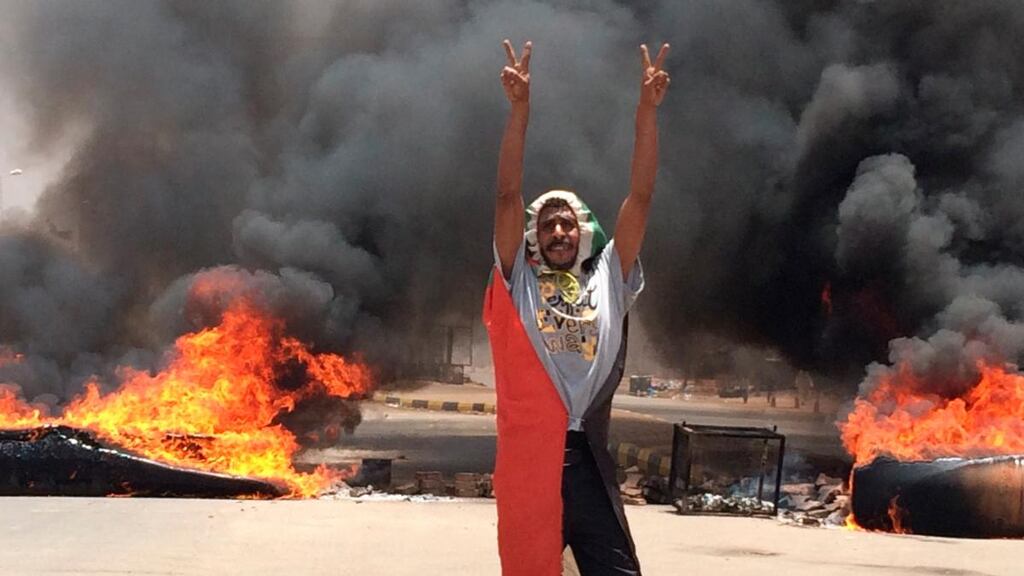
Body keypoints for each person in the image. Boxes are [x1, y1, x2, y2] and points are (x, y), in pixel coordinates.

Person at [483, 38, 670, 576]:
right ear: (534, 237)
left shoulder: (609, 276)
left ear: (585, 232)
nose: (560, 229)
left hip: (587, 454)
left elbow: (640, 196)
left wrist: (646, 114)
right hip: (528, 461)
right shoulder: (517, 278)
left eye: (569, 221)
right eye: (548, 224)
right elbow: (505, 197)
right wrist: (520, 112)